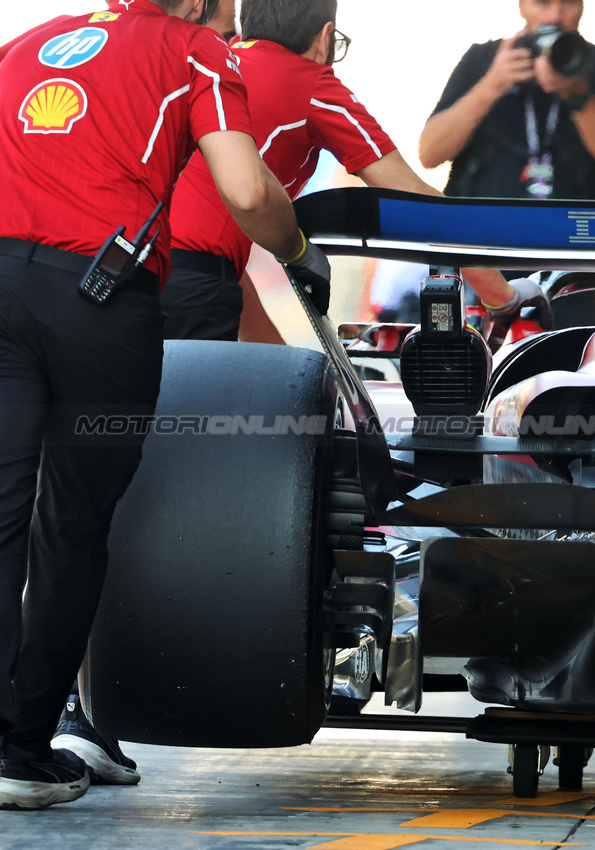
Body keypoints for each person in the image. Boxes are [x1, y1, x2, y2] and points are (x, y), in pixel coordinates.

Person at [0, 0, 329, 811]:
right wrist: (298, 252)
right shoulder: (197, 54)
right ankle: (20, 747)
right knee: (72, 523)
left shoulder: (26, 44)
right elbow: (248, 189)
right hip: (96, 302)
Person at [161, 0, 536, 344]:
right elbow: (422, 206)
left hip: (135, 263)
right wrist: (502, 297)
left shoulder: (216, 61)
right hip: (193, 281)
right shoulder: (311, 82)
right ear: (325, 39)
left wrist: (289, 370)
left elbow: (218, 258)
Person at [417, 0, 595, 200]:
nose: (555, 17)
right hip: (479, 225)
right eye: (542, 3)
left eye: (569, 2)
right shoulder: (482, 59)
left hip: (568, 229)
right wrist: (491, 86)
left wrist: (577, 93)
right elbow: (429, 154)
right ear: (522, 6)